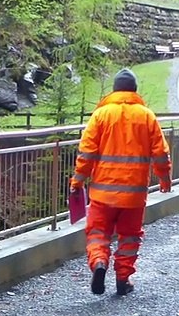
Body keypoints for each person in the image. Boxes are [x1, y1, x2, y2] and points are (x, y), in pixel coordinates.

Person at [70, 68, 171, 296]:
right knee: (130, 237)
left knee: (97, 232)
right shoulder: (147, 116)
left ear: (115, 90)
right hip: (134, 195)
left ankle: (99, 262)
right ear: (134, 90)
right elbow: (160, 153)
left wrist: (78, 181)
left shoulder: (101, 115)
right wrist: (164, 178)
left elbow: (86, 153)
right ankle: (123, 280)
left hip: (102, 194)